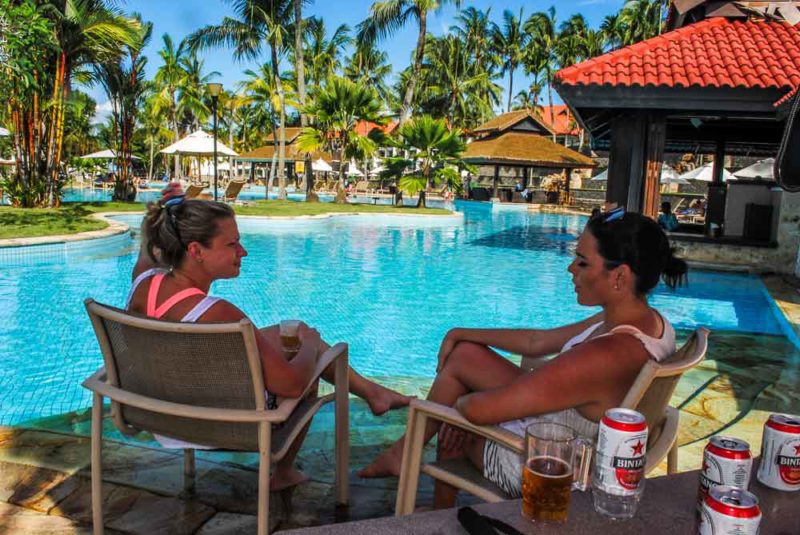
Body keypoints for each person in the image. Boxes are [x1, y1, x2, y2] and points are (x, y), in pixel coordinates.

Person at [359, 207, 688, 509]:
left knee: (454, 426)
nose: (570, 267)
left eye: (583, 262)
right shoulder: (643, 322)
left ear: (619, 276)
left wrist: (455, 408)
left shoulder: (606, 354)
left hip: (540, 461)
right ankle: (403, 455)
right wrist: (461, 332)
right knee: (464, 357)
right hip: (564, 423)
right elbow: (538, 341)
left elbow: (477, 410)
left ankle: (435, 516)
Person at [129, 183, 412, 491]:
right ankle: (284, 471)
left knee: (282, 334)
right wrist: (310, 344)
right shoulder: (221, 315)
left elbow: (149, 243)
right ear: (196, 250)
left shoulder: (144, 281)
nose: (243, 251)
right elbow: (291, 384)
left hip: (160, 416)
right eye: (232, 244)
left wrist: (168, 211)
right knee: (306, 354)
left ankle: (372, 392)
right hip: (218, 428)